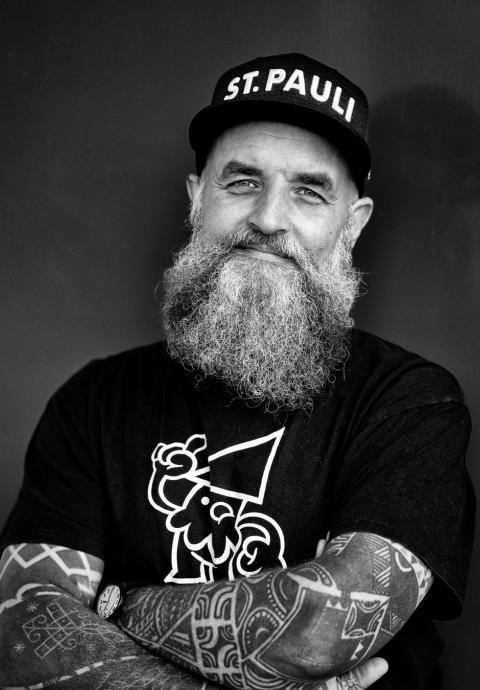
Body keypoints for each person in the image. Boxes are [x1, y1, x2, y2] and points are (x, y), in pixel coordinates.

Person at [0, 53, 474, 690]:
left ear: (353, 223)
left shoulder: (411, 401)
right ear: (198, 198)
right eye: (243, 181)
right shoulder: (93, 401)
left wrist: (118, 604)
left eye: (309, 191)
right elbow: (22, 636)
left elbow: (317, 632)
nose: (269, 218)